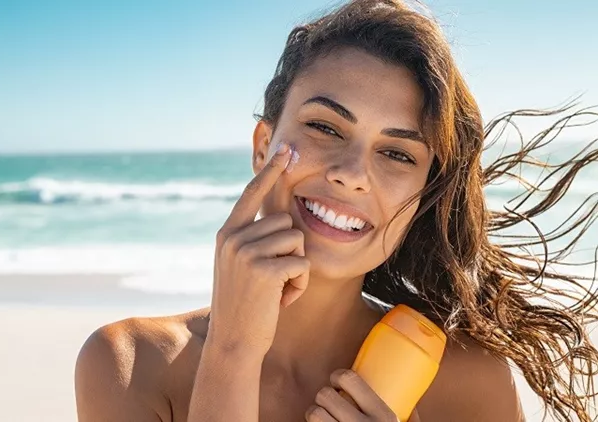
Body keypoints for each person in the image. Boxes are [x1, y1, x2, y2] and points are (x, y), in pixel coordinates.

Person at [74, 0, 598, 420]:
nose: (352, 172)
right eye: (325, 127)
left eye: (397, 153)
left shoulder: (468, 379)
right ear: (263, 145)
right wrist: (232, 352)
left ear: (422, 193)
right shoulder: (129, 364)